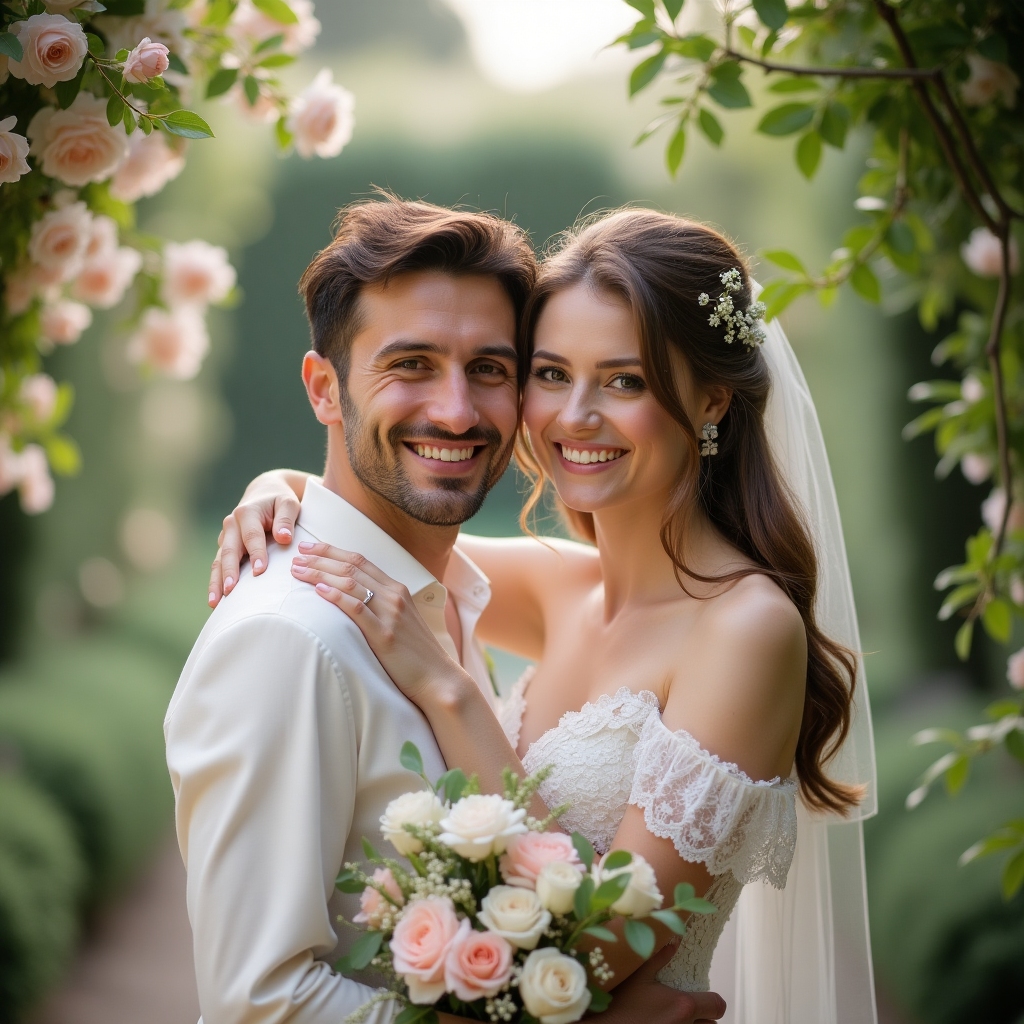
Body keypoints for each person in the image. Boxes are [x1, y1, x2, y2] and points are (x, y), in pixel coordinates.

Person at [215, 208, 879, 1024]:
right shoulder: (563, 587)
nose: (574, 416)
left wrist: (450, 690)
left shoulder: (744, 630)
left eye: (625, 381)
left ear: (712, 401)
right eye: (553, 374)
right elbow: (377, 527)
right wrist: (273, 490)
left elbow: (598, 951)